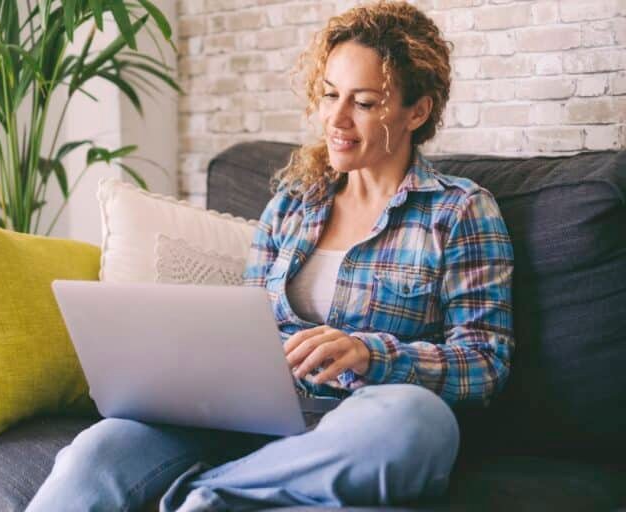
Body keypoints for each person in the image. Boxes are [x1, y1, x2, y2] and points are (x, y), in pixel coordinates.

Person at [26, 1, 514, 510]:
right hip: (252, 415)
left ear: (418, 111)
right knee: (100, 448)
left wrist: (369, 354)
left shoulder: (458, 210)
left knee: (417, 423)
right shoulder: (293, 204)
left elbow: (486, 362)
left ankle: (206, 495)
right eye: (330, 95)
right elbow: (249, 324)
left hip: (360, 422)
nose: (337, 119)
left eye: (365, 103)